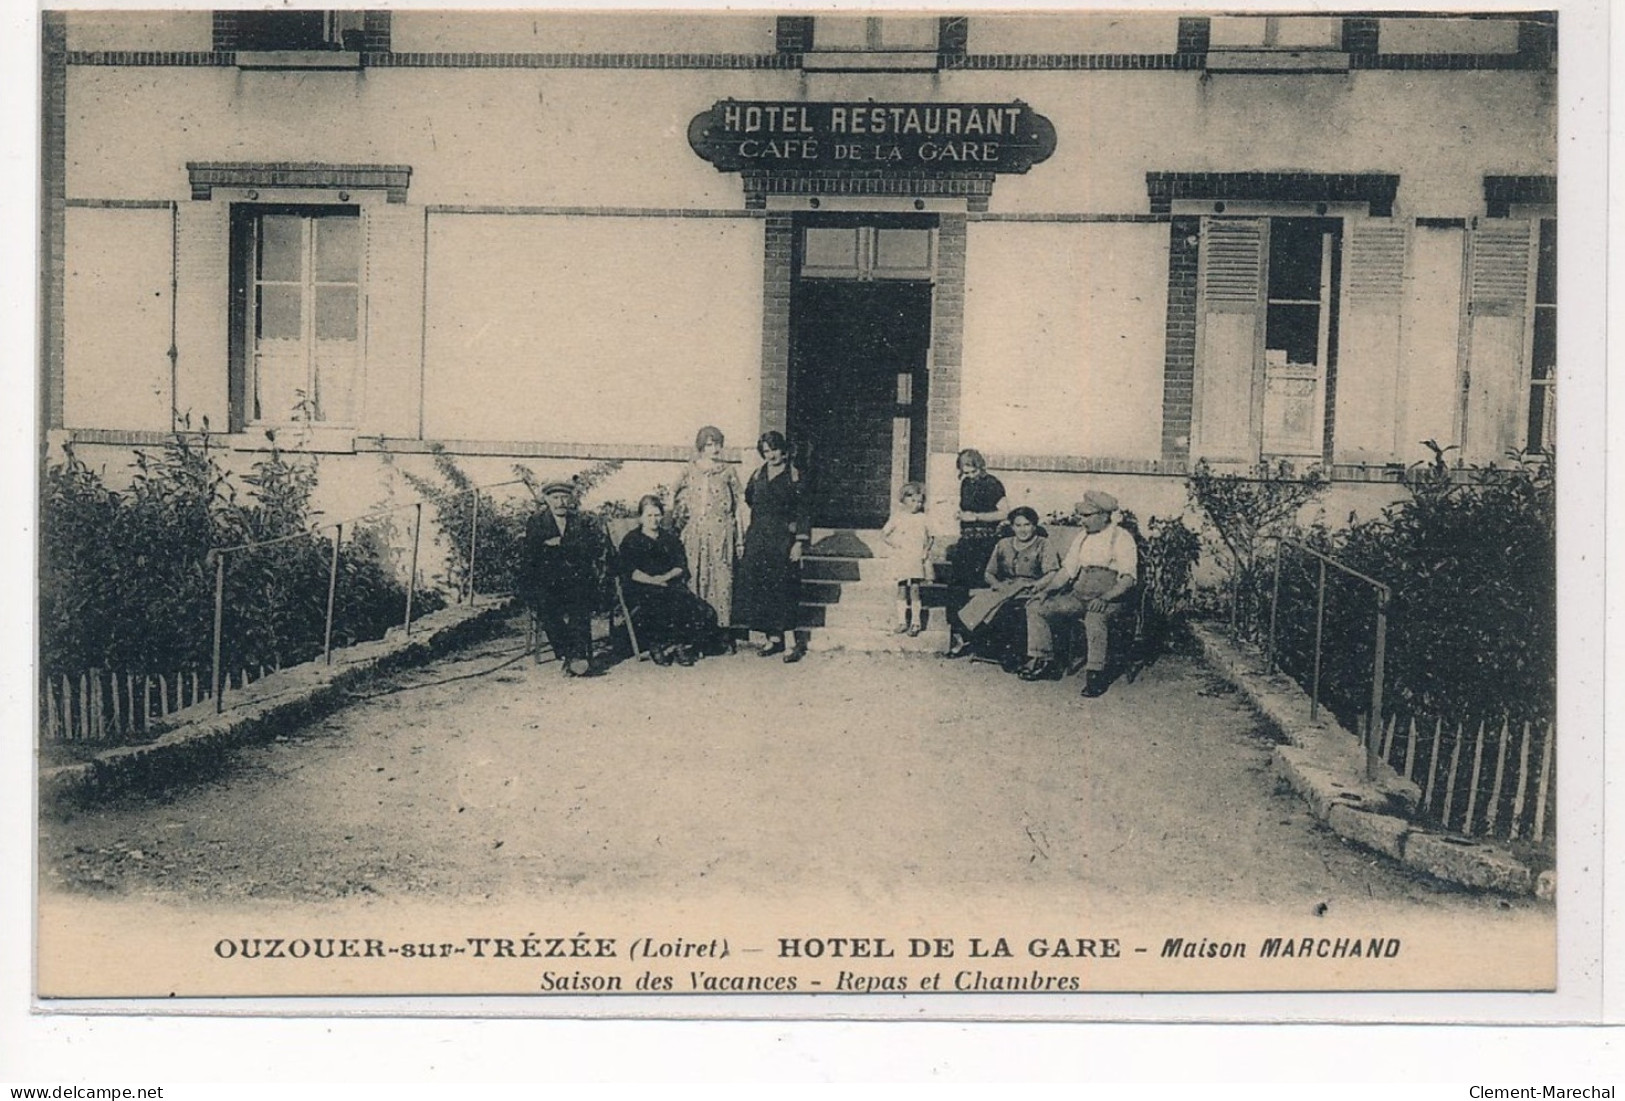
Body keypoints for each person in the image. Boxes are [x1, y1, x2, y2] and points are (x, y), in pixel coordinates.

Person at [1018, 490, 1139, 696]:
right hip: (1079, 595)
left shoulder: (1121, 537)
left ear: (1103, 515)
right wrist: (1046, 590)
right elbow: (1067, 571)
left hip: (1111, 598)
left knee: (1094, 616)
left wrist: (1105, 598)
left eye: (1086, 516)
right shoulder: (1082, 536)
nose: (1082, 521)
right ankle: (1043, 660)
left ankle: (1095, 673)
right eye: (1081, 516)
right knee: (1037, 606)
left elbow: (1128, 579)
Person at [947, 506, 1062, 665]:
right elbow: (989, 573)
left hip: (1028, 588)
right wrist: (997, 585)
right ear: (1012, 526)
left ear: (1034, 526)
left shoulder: (1043, 544)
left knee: (1009, 609)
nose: (1023, 530)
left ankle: (1012, 655)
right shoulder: (1003, 544)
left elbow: (1052, 572)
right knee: (980, 603)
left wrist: (1038, 585)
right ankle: (980, 645)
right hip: (1005, 587)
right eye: (1018, 525)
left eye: (1027, 525)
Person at [519, 479, 608, 677]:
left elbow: (591, 549)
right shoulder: (537, 521)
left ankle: (572, 658)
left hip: (576, 580)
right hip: (547, 582)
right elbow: (531, 554)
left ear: (571, 499)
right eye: (555, 498)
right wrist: (552, 547)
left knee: (580, 606)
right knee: (547, 608)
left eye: (564, 497)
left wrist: (560, 545)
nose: (560, 502)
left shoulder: (580, 521)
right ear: (547, 500)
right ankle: (573, 656)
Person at [617, 495, 720, 666]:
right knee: (659, 599)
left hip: (667, 582)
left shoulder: (669, 538)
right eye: (649, 515)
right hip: (640, 586)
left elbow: (680, 566)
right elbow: (629, 571)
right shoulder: (631, 540)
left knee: (694, 605)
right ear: (641, 517)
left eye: (657, 515)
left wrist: (664, 578)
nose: (654, 520)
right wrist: (653, 581)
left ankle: (679, 645)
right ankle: (657, 645)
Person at [734, 430, 810, 663]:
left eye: (774, 449)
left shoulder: (795, 475)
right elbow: (749, 498)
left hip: (782, 540)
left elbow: (804, 510)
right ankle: (773, 638)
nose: (771, 455)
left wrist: (799, 541)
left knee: (784, 588)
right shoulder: (758, 474)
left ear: (783, 449)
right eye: (766, 451)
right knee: (760, 587)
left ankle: (791, 643)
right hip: (758, 538)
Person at [672, 426, 743, 639]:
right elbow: (673, 495)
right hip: (696, 534)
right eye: (709, 444)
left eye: (717, 444)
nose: (714, 449)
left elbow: (739, 505)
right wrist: (679, 517)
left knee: (722, 579)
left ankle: (722, 633)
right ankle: (696, 634)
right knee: (695, 578)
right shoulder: (690, 470)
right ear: (701, 446)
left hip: (721, 534)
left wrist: (739, 536)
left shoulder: (728, 471)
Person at [944, 448, 1010, 648]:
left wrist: (976, 517)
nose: (970, 476)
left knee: (983, 587)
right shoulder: (965, 483)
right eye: (966, 472)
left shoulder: (992, 484)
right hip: (967, 542)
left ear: (981, 467)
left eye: (973, 472)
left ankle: (983, 639)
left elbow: (1005, 513)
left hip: (985, 543)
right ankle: (959, 635)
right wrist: (961, 515)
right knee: (957, 587)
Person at [880, 482, 932, 636]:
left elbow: (931, 536)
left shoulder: (923, 518)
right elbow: (884, 534)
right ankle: (902, 621)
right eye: (913, 501)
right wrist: (894, 544)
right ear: (904, 500)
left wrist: (926, 551)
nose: (917, 505)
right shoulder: (898, 517)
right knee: (902, 588)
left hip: (916, 556)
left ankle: (916, 622)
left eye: (920, 501)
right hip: (902, 556)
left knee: (915, 588)